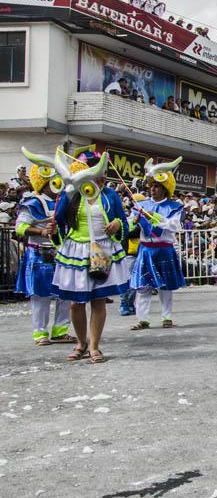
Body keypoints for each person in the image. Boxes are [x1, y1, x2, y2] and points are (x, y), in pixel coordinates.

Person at [51, 148, 130, 364]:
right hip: (76, 250)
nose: (101, 176)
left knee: (98, 300)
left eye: (102, 172)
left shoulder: (110, 195)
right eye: (96, 171)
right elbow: (58, 220)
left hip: (102, 250)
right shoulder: (73, 193)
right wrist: (53, 227)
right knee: (76, 303)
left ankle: (94, 346)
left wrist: (117, 224)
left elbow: (124, 221)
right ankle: (81, 342)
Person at [16, 148, 73, 346]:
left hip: (60, 253)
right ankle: (40, 333)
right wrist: (40, 231)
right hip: (38, 254)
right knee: (40, 296)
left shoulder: (64, 201)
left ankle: (60, 330)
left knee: (64, 294)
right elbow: (20, 227)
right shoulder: (32, 201)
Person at [129, 158, 186, 330]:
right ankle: (142, 319)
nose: (152, 189)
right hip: (146, 249)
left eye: (157, 186)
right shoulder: (141, 205)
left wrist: (156, 218)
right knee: (142, 286)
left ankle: (166, 317)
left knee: (165, 287)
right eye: (151, 186)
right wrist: (135, 220)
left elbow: (175, 226)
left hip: (164, 249)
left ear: (165, 188)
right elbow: (131, 223)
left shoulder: (175, 206)